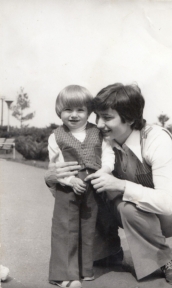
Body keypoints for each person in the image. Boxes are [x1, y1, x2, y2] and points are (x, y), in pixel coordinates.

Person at [45, 83, 172, 286]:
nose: (100, 124)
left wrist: (121, 185)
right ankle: (109, 251)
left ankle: (164, 259)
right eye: (98, 116)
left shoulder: (155, 139)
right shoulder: (103, 140)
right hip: (133, 198)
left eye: (107, 118)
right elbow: (75, 181)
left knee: (127, 208)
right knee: (93, 192)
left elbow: (167, 203)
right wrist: (53, 177)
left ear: (130, 119)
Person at [47, 85, 115, 288]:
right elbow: (55, 166)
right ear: (60, 111)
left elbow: (108, 155)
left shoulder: (97, 133)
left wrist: (104, 172)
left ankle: (85, 269)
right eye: (68, 109)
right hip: (67, 187)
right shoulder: (56, 136)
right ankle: (62, 275)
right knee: (65, 228)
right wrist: (69, 180)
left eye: (80, 110)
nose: (74, 115)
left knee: (89, 226)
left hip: (92, 185)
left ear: (89, 112)